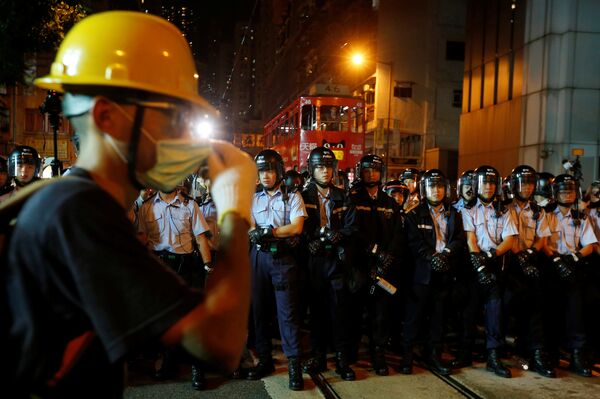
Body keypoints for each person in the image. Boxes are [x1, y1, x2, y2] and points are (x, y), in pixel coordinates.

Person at [2, 11, 255, 398]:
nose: (182, 136)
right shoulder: (78, 211)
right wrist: (235, 211)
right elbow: (218, 341)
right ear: (107, 116)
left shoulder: (72, 202)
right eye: (169, 117)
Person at [137, 187, 213, 388]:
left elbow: (200, 237)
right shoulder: (147, 207)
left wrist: (208, 266)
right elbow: (142, 238)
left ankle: (198, 367)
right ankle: (169, 362)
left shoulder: (190, 205)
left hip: (185, 268)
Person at [246, 149, 307, 391]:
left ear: (279, 171)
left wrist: (271, 232)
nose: (266, 176)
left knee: (287, 314)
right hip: (259, 258)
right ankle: (265, 360)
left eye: (270, 170)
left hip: (282, 259)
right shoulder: (253, 198)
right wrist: (256, 233)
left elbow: (297, 227)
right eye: (261, 171)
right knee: (259, 311)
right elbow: (250, 226)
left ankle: (294, 366)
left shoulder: (293, 197)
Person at [400, 169, 465, 376]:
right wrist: (432, 257)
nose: (436, 191)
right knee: (413, 316)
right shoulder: (413, 214)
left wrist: (445, 254)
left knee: (438, 317)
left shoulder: (454, 213)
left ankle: (434, 356)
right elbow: (414, 243)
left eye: (439, 187)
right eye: (432, 187)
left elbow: (459, 239)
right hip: (421, 274)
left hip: (445, 271)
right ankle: (407, 356)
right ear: (424, 189)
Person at [301, 147, 356, 381]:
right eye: (319, 167)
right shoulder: (302, 196)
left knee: (339, 310)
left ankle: (342, 359)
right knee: (316, 312)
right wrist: (309, 242)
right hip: (314, 262)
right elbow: (297, 224)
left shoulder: (343, 195)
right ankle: (318, 356)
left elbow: (352, 226)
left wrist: (339, 236)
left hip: (336, 261)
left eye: (328, 167)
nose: (325, 171)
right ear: (311, 169)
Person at [347, 154, 404, 376]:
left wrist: (388, 256)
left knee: (380, 313)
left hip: (383, 267)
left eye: (375, 170)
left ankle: (378, 354)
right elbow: (352, 231)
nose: (371, 174)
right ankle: (351, 351)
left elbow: (398, 234)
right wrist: (374, 252)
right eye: (367, 170)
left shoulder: (389, 202)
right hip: (360, 265)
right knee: (354, 311)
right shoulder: (353, 199)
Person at [461, 165, 517, 378]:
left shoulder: (504, 210)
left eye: (492, 183)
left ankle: (493, 356)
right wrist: (480, 264)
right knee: (470, 309)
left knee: (495, 310)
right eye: (484, 182)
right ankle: (465, 352)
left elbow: (509, 240)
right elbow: (470, 239)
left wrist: (492, 256)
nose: (488, 187)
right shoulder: (468, 209)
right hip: (474, 265)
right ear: (476, 185)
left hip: (495, 264)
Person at [542, 174, 597, 377]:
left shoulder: (581, 216)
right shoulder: (546, 214)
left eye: (571, 191)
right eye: (564, 191)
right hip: (551, 266)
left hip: (573, 266)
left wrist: (574, 258)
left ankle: (576, 353)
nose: (568, 194)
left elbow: (590, 245)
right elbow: (543, 243)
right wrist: (557, 260)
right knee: (551, 311)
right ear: (555, 194)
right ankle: (551, 351)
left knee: (575, 311)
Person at [505, 165, 555, 378]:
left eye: (530, 183)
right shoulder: (505, 207)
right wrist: (519, 256)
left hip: (531, 260)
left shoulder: (538, 210)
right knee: (508, 302)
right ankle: (503, 347)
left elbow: (542, 236)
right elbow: (507, 236)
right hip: (509, 262)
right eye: (522, 182)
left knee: (536, 303)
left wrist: (531, 253)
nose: (526, 187)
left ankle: (535, 351)